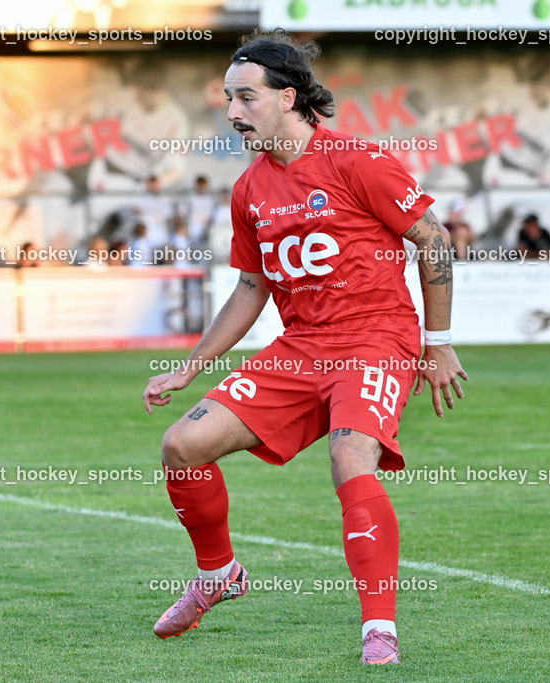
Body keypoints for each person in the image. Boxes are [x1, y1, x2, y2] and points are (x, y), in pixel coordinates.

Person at [142, 32, 467, 666]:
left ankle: (379, 628)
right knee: (183, 445)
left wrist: (439, 344)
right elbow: (250, 288)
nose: (232, 113)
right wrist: (190, 367)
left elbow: (434, 239)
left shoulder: (357, 162)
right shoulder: (248, 191)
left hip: (376, 339)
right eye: (228, 99)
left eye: (245, 98)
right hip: (300, 349)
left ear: (287, 98)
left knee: (351, 457)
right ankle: (218, 574)